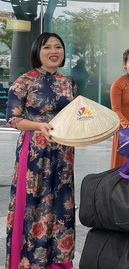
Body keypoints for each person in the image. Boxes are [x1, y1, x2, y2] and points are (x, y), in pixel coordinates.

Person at [5, 32, 77, 268]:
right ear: (37, 51)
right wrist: (38, 125)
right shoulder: (24, 81)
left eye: (58, 47)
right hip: (36, 151)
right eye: (47, 47)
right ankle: (29, 262)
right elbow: (13, 120)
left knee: (61, 205)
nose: (54, 51)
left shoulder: (68, 82)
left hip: (63, 152)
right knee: (34, 203)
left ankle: (58, 262)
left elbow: (73, 115)